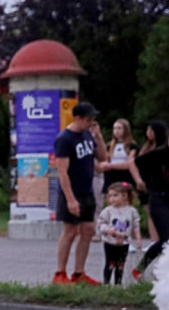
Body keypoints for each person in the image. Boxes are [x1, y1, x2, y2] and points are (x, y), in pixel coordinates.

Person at [52, 102, 107, 285]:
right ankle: (60, 273)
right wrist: (70, 199)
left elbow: (102, 157)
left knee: (88, 230)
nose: (90, 122)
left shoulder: (87, 135)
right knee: (70, 231)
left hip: (87, 190)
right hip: (71, 192)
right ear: (77, 118)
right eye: (87, 119)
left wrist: (97, 136)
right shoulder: (65, 139)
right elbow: (62, 171)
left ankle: (79, 272)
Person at [129, 136, 169, 280]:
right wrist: (139, 181)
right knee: (166, 240)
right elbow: (133, 163)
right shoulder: (158, 154)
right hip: (159, 199)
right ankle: (139, 269)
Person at [96, 182, 142, 285]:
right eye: (110, 196)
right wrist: (107, 230)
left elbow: (135, 225)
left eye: (115, 195)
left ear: (124, 196)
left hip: (124, 243)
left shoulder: (131, 211)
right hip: (110, 242)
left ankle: (118, 283)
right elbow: (100, 223)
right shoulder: (108, 211)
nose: (112, 198)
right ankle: (106, 283)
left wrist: (138, 238)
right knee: (110, 263)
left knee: (120, 264)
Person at [136, 120, 167, 243]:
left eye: (151, 130)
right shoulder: (146, 147)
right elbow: (134, 162)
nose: (148, 133)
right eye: (147, 130)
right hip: (146, 182)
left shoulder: (161, 149)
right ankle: (155, 240)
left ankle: (159, 240)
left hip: (157, 184)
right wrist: (138, 179)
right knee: (149, 212)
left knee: (156, 214)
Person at [98, 119, 138, 203]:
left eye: (119, 128)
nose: (116, 131)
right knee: (111, 202)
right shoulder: (109, 146)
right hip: (111, 177)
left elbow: (129, 163)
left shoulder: (132, 146)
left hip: (125, 177)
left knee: (126, 201)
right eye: (114, 128)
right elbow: (106, 159)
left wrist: (112, 166)